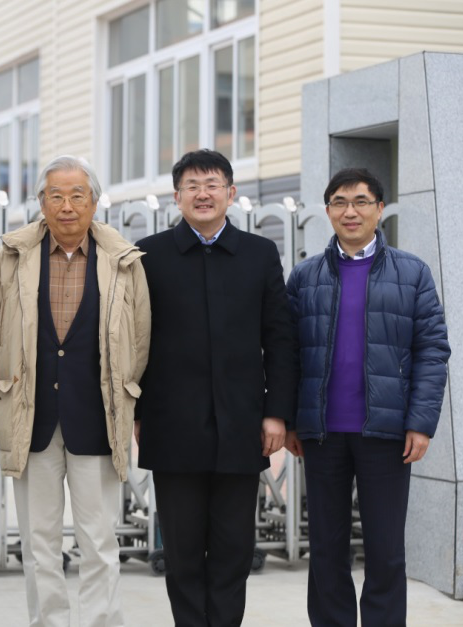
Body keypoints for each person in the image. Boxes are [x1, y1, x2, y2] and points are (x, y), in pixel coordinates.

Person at [0, 155, 150, 627]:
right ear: (41, 203)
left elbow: (139, 338)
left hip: (97, 418)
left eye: (78, 195)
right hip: (31, 418)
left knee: (99, 541)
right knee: (39, 542)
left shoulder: (123, 261)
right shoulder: (12, 256)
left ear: (95, 201)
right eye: (56, 196)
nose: (67, 206)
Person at [135, 149, 298, 626]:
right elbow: (134, 340)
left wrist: (276, 412)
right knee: (181, 553)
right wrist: (139, 413)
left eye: (212, 185)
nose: (202, 194)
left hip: (242, 426)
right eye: (192, 186)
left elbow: (280, 337)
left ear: (231, 193)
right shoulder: (149, 255)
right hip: (172, 427)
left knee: (233, 551)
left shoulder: (259, 253)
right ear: (176, 196)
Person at [285, 168, 451, 626]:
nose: (350, 211)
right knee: (326, 548)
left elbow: (433, 350)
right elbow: (287, 353)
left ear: (380, 209)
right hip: (322, 434)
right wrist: (290, 419)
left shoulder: (412, 273)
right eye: (340, 202)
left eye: (361, 201)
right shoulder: (304, 277)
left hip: (387, 433)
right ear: (327, 211)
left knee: (385, 549)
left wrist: (420, 422)